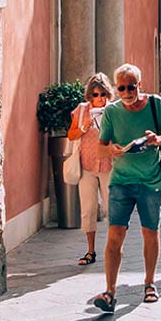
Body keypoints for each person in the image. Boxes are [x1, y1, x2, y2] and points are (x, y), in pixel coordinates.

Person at [93, 63, 161, 313]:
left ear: (140, 85)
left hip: (151, 181)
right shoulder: (112, 112)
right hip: (121, 181)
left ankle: (150, 283)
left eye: (131, 86)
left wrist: (158, 140)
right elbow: (101, 147)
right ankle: (110, 291)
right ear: (116, 88)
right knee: (115, 234)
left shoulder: (155, 104)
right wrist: (112, 149)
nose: (127, 92)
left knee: (150, 233)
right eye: (122, 87)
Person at [67, 72, 114, 266]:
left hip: (109, 166)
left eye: (102, 94)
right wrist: (84, 127)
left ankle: (113, 249)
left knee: (113, 209)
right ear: (89, 95)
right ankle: (90, 251)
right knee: (88, 210)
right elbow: (71, 135)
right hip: (86, 166)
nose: (99, 98)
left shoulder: (114, 111)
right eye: (95, 94)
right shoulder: (81, 110)